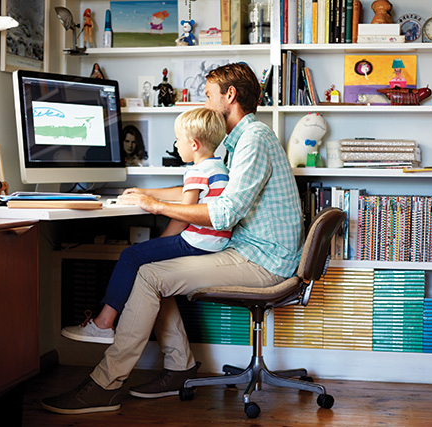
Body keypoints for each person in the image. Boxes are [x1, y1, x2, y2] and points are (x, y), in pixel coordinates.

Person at [41, 62, 303, 414]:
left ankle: (103, 386)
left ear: (230, 96)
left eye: (209, 96)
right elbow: (196, 187)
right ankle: (180, 368)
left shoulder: (253, 140)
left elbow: (223, 213)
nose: (205, 104)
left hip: (263, 261)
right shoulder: (236, 141)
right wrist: (141, 194)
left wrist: (156, 206)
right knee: (153, 265)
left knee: (149, 274)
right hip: (251, 251)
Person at [60, 107, 230, 345]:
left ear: (193, 144)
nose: (176, 144)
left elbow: (183, 216)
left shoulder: (195, 171)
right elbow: (187, 195)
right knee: (142, 255)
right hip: (216, 242)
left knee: (132, 255)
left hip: (198, 241)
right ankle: (106, 321)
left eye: (178, 139)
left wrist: (158, 244)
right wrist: (147, 193)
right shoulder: (219, 168)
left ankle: (103, 323)